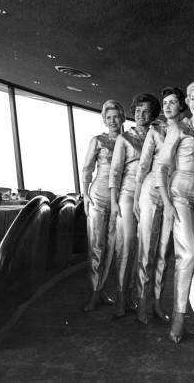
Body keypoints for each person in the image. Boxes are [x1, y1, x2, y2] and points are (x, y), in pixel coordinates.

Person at [156, 79, 194, 343]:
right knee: (188, 253)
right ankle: (179, 316)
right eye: (193, 98)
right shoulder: (178, 128)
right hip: (179, 195)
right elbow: (162, 168)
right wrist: (167, 204)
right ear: (188, 102)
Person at [133, 87, 186, 324]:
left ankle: (157, 301)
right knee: (147, 249)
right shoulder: (155, 130)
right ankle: (142, 302)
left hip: (174, 193)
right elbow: (143, 166)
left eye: (172, 102)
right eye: (165, 103)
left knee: (165, 251)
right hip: (151, 190)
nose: (167, 106)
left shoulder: (188, 129)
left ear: (181, 106)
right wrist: (135, 197)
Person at [109, 93, 160, 317]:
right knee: (127, 245)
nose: (140, 114)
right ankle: (122, 296)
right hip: (128, 194)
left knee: (146, 248)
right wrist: (113, 202)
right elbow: (115, 172)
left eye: (146, 111)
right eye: (137, 110)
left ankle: (142, 299)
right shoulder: (124, 138)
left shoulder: (158, 135)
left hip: (149, 195)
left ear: (153, 115)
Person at [81, 100, 124, 312]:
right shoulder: (97, 141)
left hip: (120, 198)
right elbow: (87, 169)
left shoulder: (128, 141)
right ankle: (93, 293)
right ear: (104, 121)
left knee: (112, 246)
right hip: (98, 195)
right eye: (108, 118)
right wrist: (84, 194)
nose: (112, 121)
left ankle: (102, 290)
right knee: (95, 245)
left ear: (122, 117)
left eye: (116, 116)